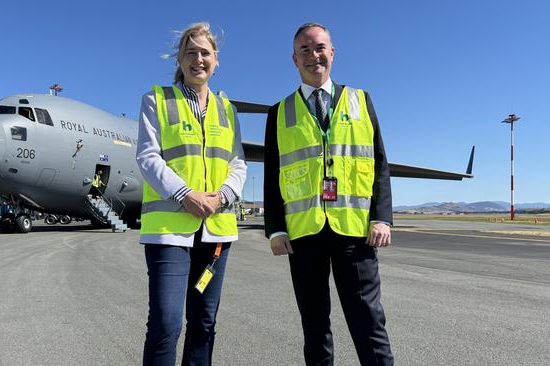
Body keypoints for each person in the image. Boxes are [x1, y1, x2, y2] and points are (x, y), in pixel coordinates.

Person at [263, 23, 394, 365]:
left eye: (319, 47)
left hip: (355, 230)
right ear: (294, 59)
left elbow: (379, 163)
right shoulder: (279, 112)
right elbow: (273, 173)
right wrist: (275, 229)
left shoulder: (360, 101)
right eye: (304, 50)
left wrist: (381, 217)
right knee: (314, 324)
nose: (313, 55)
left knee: (368, 320)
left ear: (332, 53)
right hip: (304, 233)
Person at [136, 22, 246, 365]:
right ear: (180, 60)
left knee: (204, 321)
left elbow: (237, 162)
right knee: (167, 322)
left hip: (215, 232)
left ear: (216, 61)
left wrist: (223, 195)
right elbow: (147, 156)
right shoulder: (157, 99)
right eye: (191, 52)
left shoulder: (227, 110)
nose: (198, 59)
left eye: (205, 53)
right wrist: (185, 194)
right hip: (170, 233)